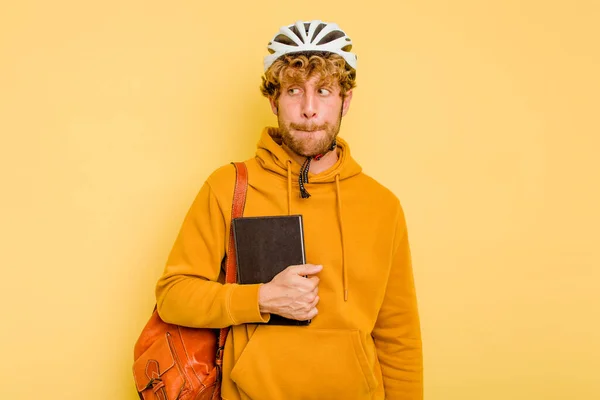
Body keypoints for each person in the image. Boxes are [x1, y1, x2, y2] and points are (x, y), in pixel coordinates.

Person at [155, 20, 423, 399]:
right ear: (273, 100)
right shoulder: (229, 186)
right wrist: (260, 298)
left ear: (346, 100)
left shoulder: (383, 206)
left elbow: (399, 337)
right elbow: (173, 296)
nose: (309, 109)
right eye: (294, 90)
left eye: (324, 91)